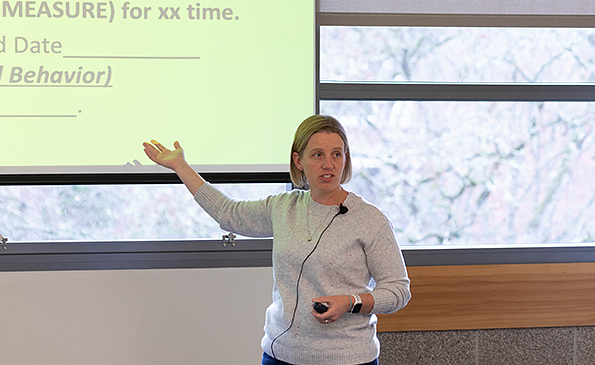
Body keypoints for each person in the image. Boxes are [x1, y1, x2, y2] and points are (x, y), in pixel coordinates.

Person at [143, 115, 410, 365]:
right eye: (318, 155)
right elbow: (227, 213)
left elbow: (398, 291)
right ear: (298, 160)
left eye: (336, 154)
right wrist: (180, 166)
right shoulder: (283, 208)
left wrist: (351, 302)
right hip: (280, 354)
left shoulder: (370, 219)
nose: (328, 164)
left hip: (348, 358)